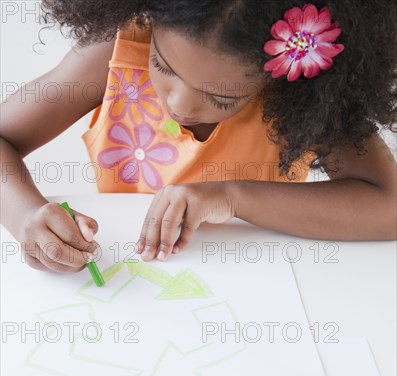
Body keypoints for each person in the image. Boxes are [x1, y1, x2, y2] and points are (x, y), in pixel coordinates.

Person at [1, 0, 396, 272]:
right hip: (128, 276)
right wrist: (25, 216)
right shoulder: (117, 51)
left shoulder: (304, 96)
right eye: (163, 65)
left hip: (258, 282)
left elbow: (389, 208)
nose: (180, 105)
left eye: (220, 96)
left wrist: (232, 196)